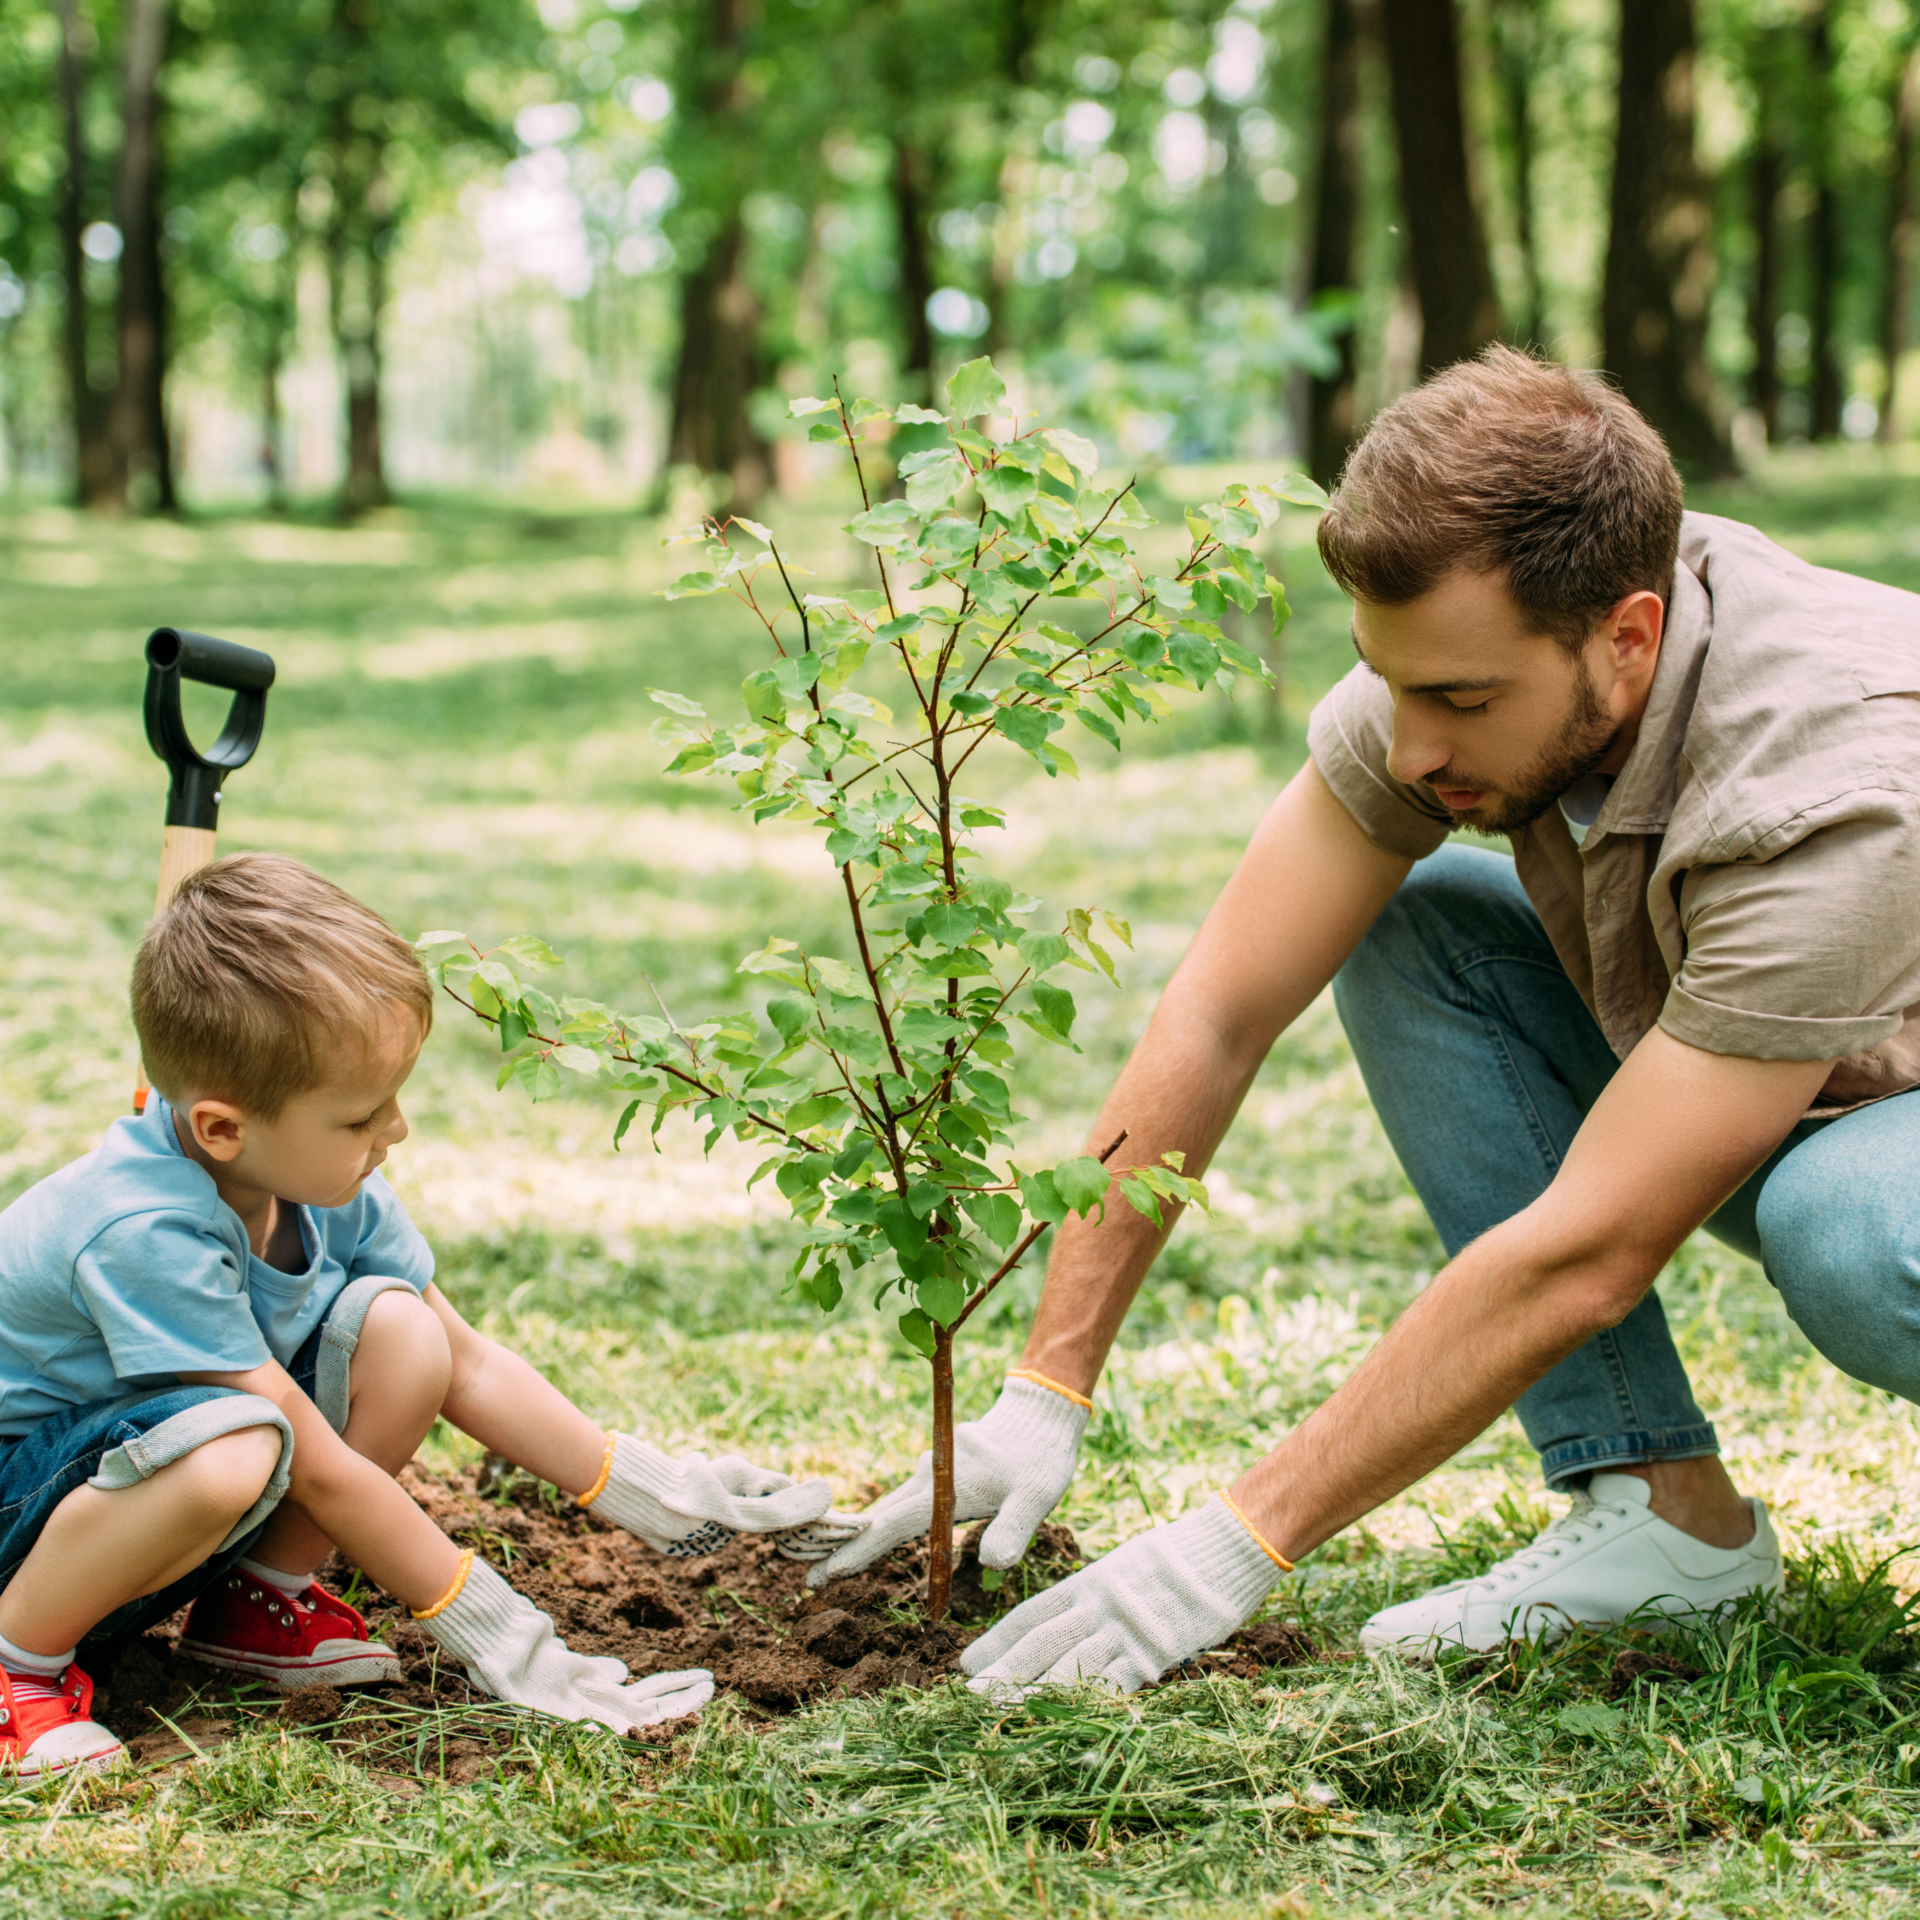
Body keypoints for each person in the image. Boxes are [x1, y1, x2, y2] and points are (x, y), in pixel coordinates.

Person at [813, 346, 1920, 1694]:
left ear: (1627, 639)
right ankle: (1664, 1519)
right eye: (1393, 683)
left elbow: (1590, 1255)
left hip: (1877, 1138)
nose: (1409, 749)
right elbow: (1223, 1005)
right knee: (1421, 918)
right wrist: (1046, 1390)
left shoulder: (1835, 782)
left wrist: (1229, 1547)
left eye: (1458, 701)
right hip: (1805, 1076)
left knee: (1854, 1236)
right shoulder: (1483, 648)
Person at [0, 854, 859, 1774]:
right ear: (221, 1129)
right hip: (25, 1512)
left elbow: (466, 1361)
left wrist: (658, 1495)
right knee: (235, 1449)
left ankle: (256, 1603)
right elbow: (320, 1470)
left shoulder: (313, 1178)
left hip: (117, 1499)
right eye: (364, 1114)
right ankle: (19, 1668)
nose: (396, 1130)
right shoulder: (143, 1230)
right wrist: (505, 1638)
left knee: (403, 1334)